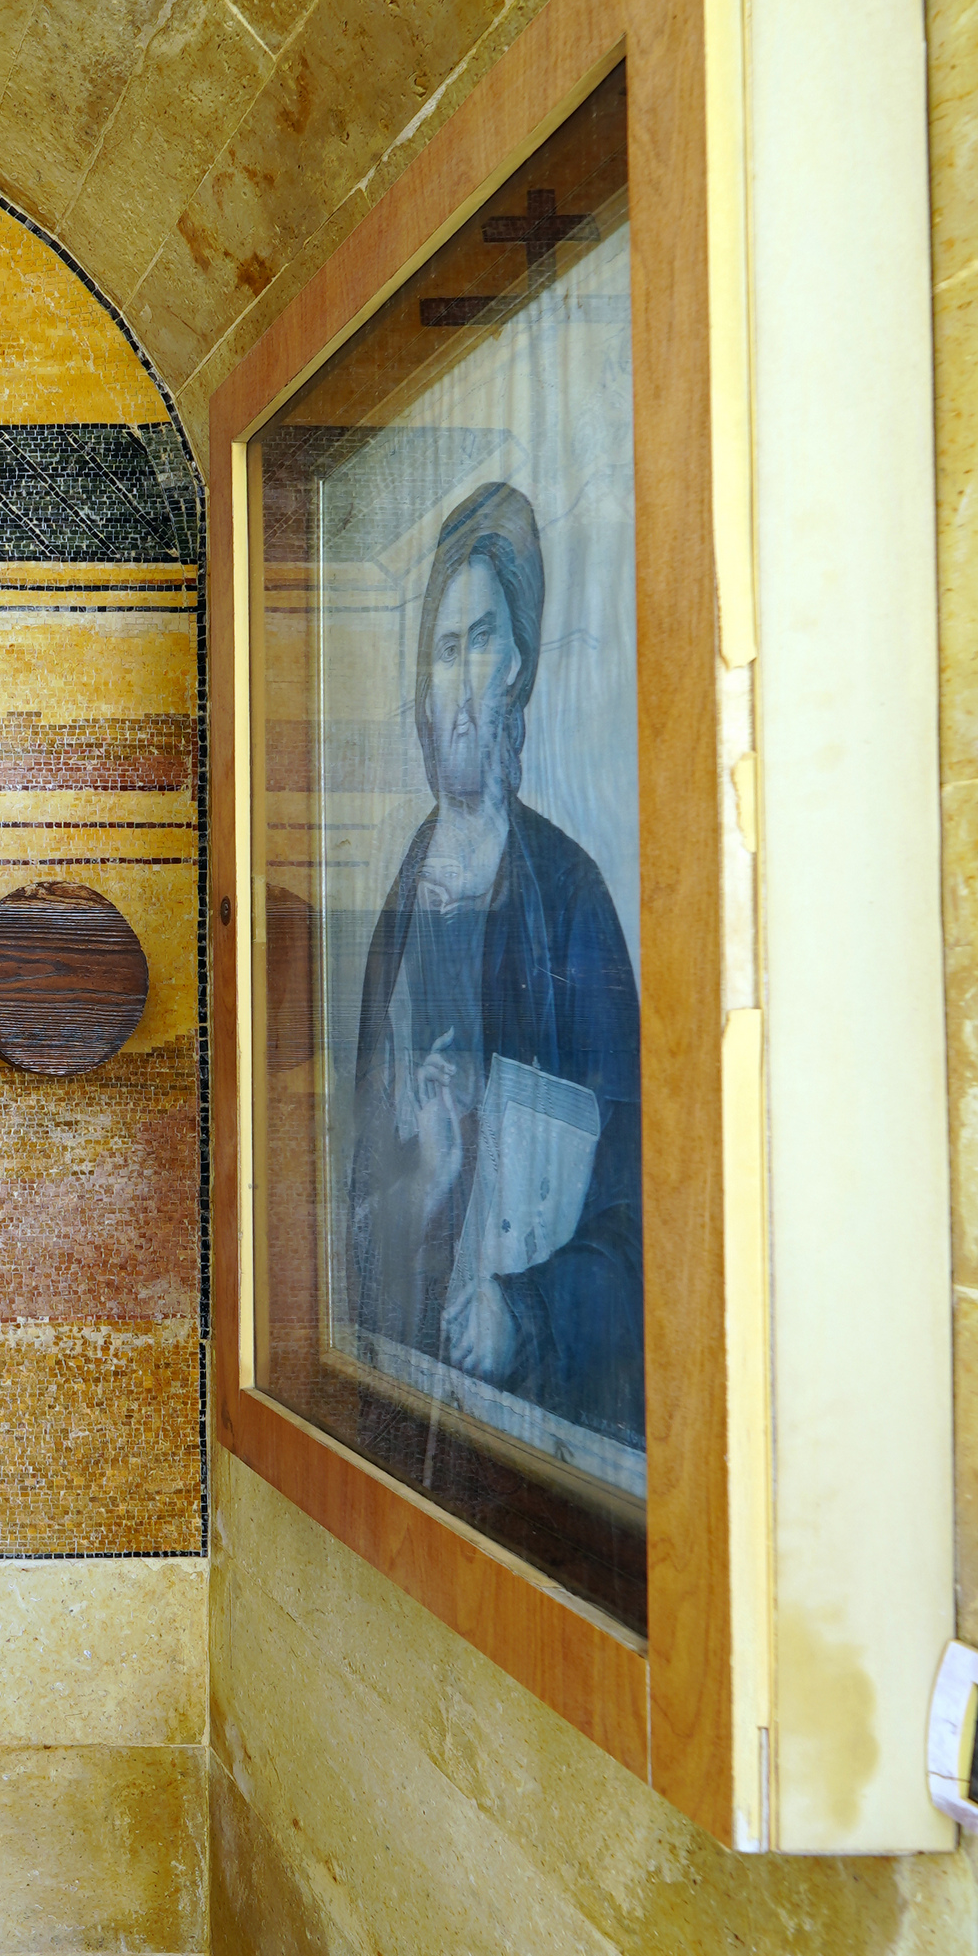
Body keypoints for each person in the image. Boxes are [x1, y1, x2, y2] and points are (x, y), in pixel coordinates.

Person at [345, 480, 643, 1441]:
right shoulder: (399, 907)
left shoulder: (569, 899)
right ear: (423, 691)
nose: (463, 683)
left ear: (516, 664)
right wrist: (421, 1187)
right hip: (410, 1396)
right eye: (443, 648)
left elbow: (637, 1212)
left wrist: (525, 1316)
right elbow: (356, 1197)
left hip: (534, 1427)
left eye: (481, 640)